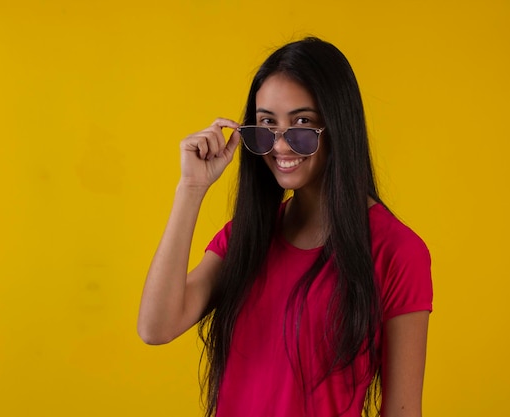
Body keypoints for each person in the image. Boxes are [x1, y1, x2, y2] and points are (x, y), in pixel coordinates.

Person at [138, 37, 433, 417]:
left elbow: (404, 410)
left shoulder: (396, 252)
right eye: (266, 125)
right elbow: (155, 327)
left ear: (338, 125)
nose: (280, 146)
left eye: (302, 123)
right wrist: (191, 189)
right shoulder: (246, 238)